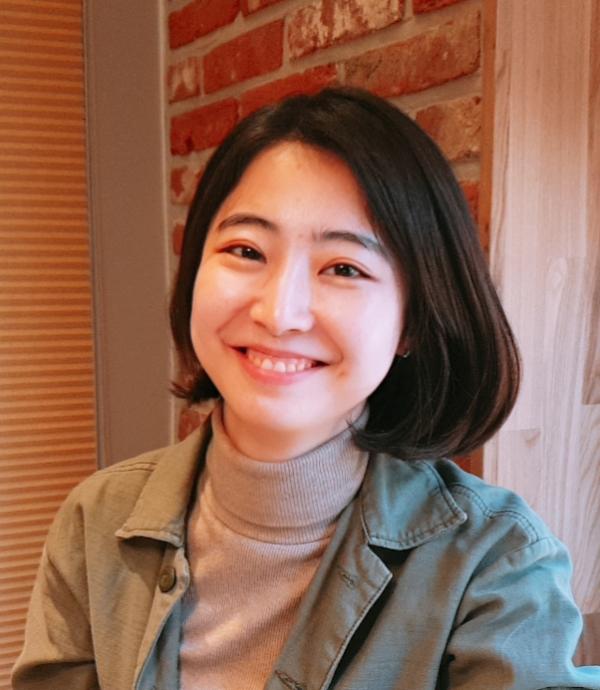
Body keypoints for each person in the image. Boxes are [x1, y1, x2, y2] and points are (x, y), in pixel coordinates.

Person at [12, 87, 600, 690]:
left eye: (344, 268)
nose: (279, 312)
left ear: (413, 322)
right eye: (245, 250)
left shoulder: (493, 563)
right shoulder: (96, 520)